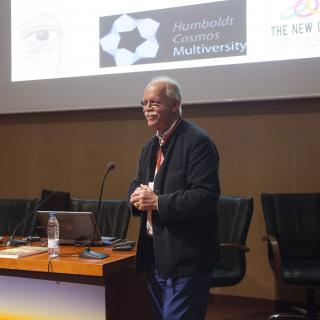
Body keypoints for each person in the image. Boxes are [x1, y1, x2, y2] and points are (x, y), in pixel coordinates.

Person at [128, 76, 220, 320]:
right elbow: (136, 185)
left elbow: (206, 196)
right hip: (156, 256)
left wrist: (157, 202)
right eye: (144, 103)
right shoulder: (150, 146)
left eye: (154, 103)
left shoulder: (197, 142)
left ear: (175, 104)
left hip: (186, 257)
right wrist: (135, 197)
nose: (147, 109)